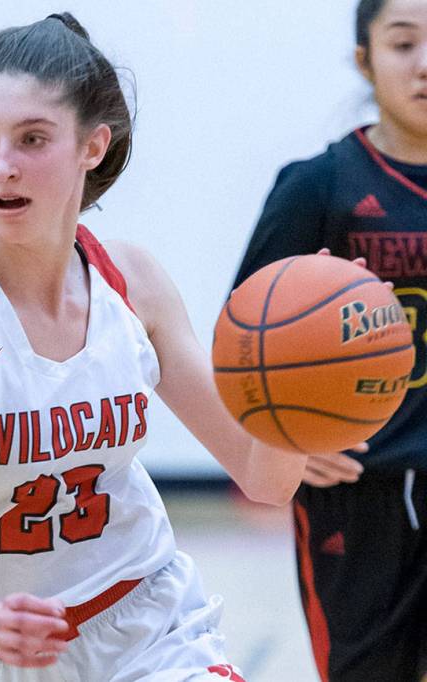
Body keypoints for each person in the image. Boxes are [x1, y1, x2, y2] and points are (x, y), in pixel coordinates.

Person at [0, 12, 310, 682]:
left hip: (146, 624)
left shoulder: (132, 281)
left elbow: (265, 478)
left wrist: (304, 395)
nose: (2, 166)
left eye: (32, 139)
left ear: (92, 146)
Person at [231, 1, 427, 679]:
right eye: (404, 43)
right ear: (364, 60)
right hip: (357, 491)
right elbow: (243, 342)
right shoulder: (320, 186)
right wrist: (281, 437)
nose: (425, 64)